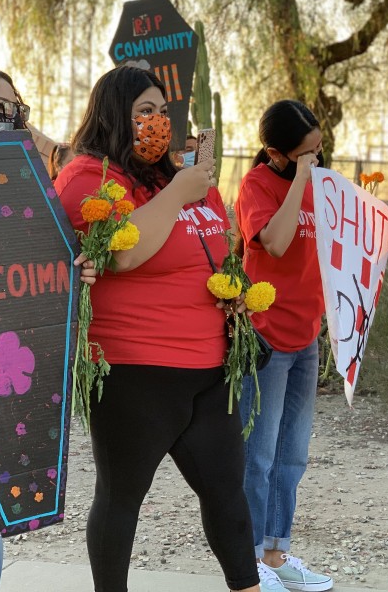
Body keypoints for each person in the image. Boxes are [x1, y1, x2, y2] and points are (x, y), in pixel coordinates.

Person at [55, 63, 266, 592]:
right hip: (136, 371)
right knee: (122, 498)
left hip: (209, 367)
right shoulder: (89, 177)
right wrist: (177, 193)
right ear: (113, 116)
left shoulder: (181, 174)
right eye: (143, 112)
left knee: (227, 494)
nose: (157, 122)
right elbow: (122, 256)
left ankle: (248, 585)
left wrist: (233, 292)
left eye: (163, 111)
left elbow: (218, 249)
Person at [0, 63, 96, 592]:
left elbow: (49, 251)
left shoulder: (20, 180)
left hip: (6, 390)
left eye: (17, 111)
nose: (8, 121)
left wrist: (76, 268)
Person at [234, 100, 334, 592]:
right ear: (275, 153)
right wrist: (298, 181)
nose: (317, 160)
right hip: (266, 336)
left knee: (292, 453)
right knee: (260, 453)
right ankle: (249, 558)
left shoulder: (321, 184)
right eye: (305, 154)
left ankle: (277, 549)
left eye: (320, 149)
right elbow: (273, 241)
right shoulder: (257, 185)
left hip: (306, 333)